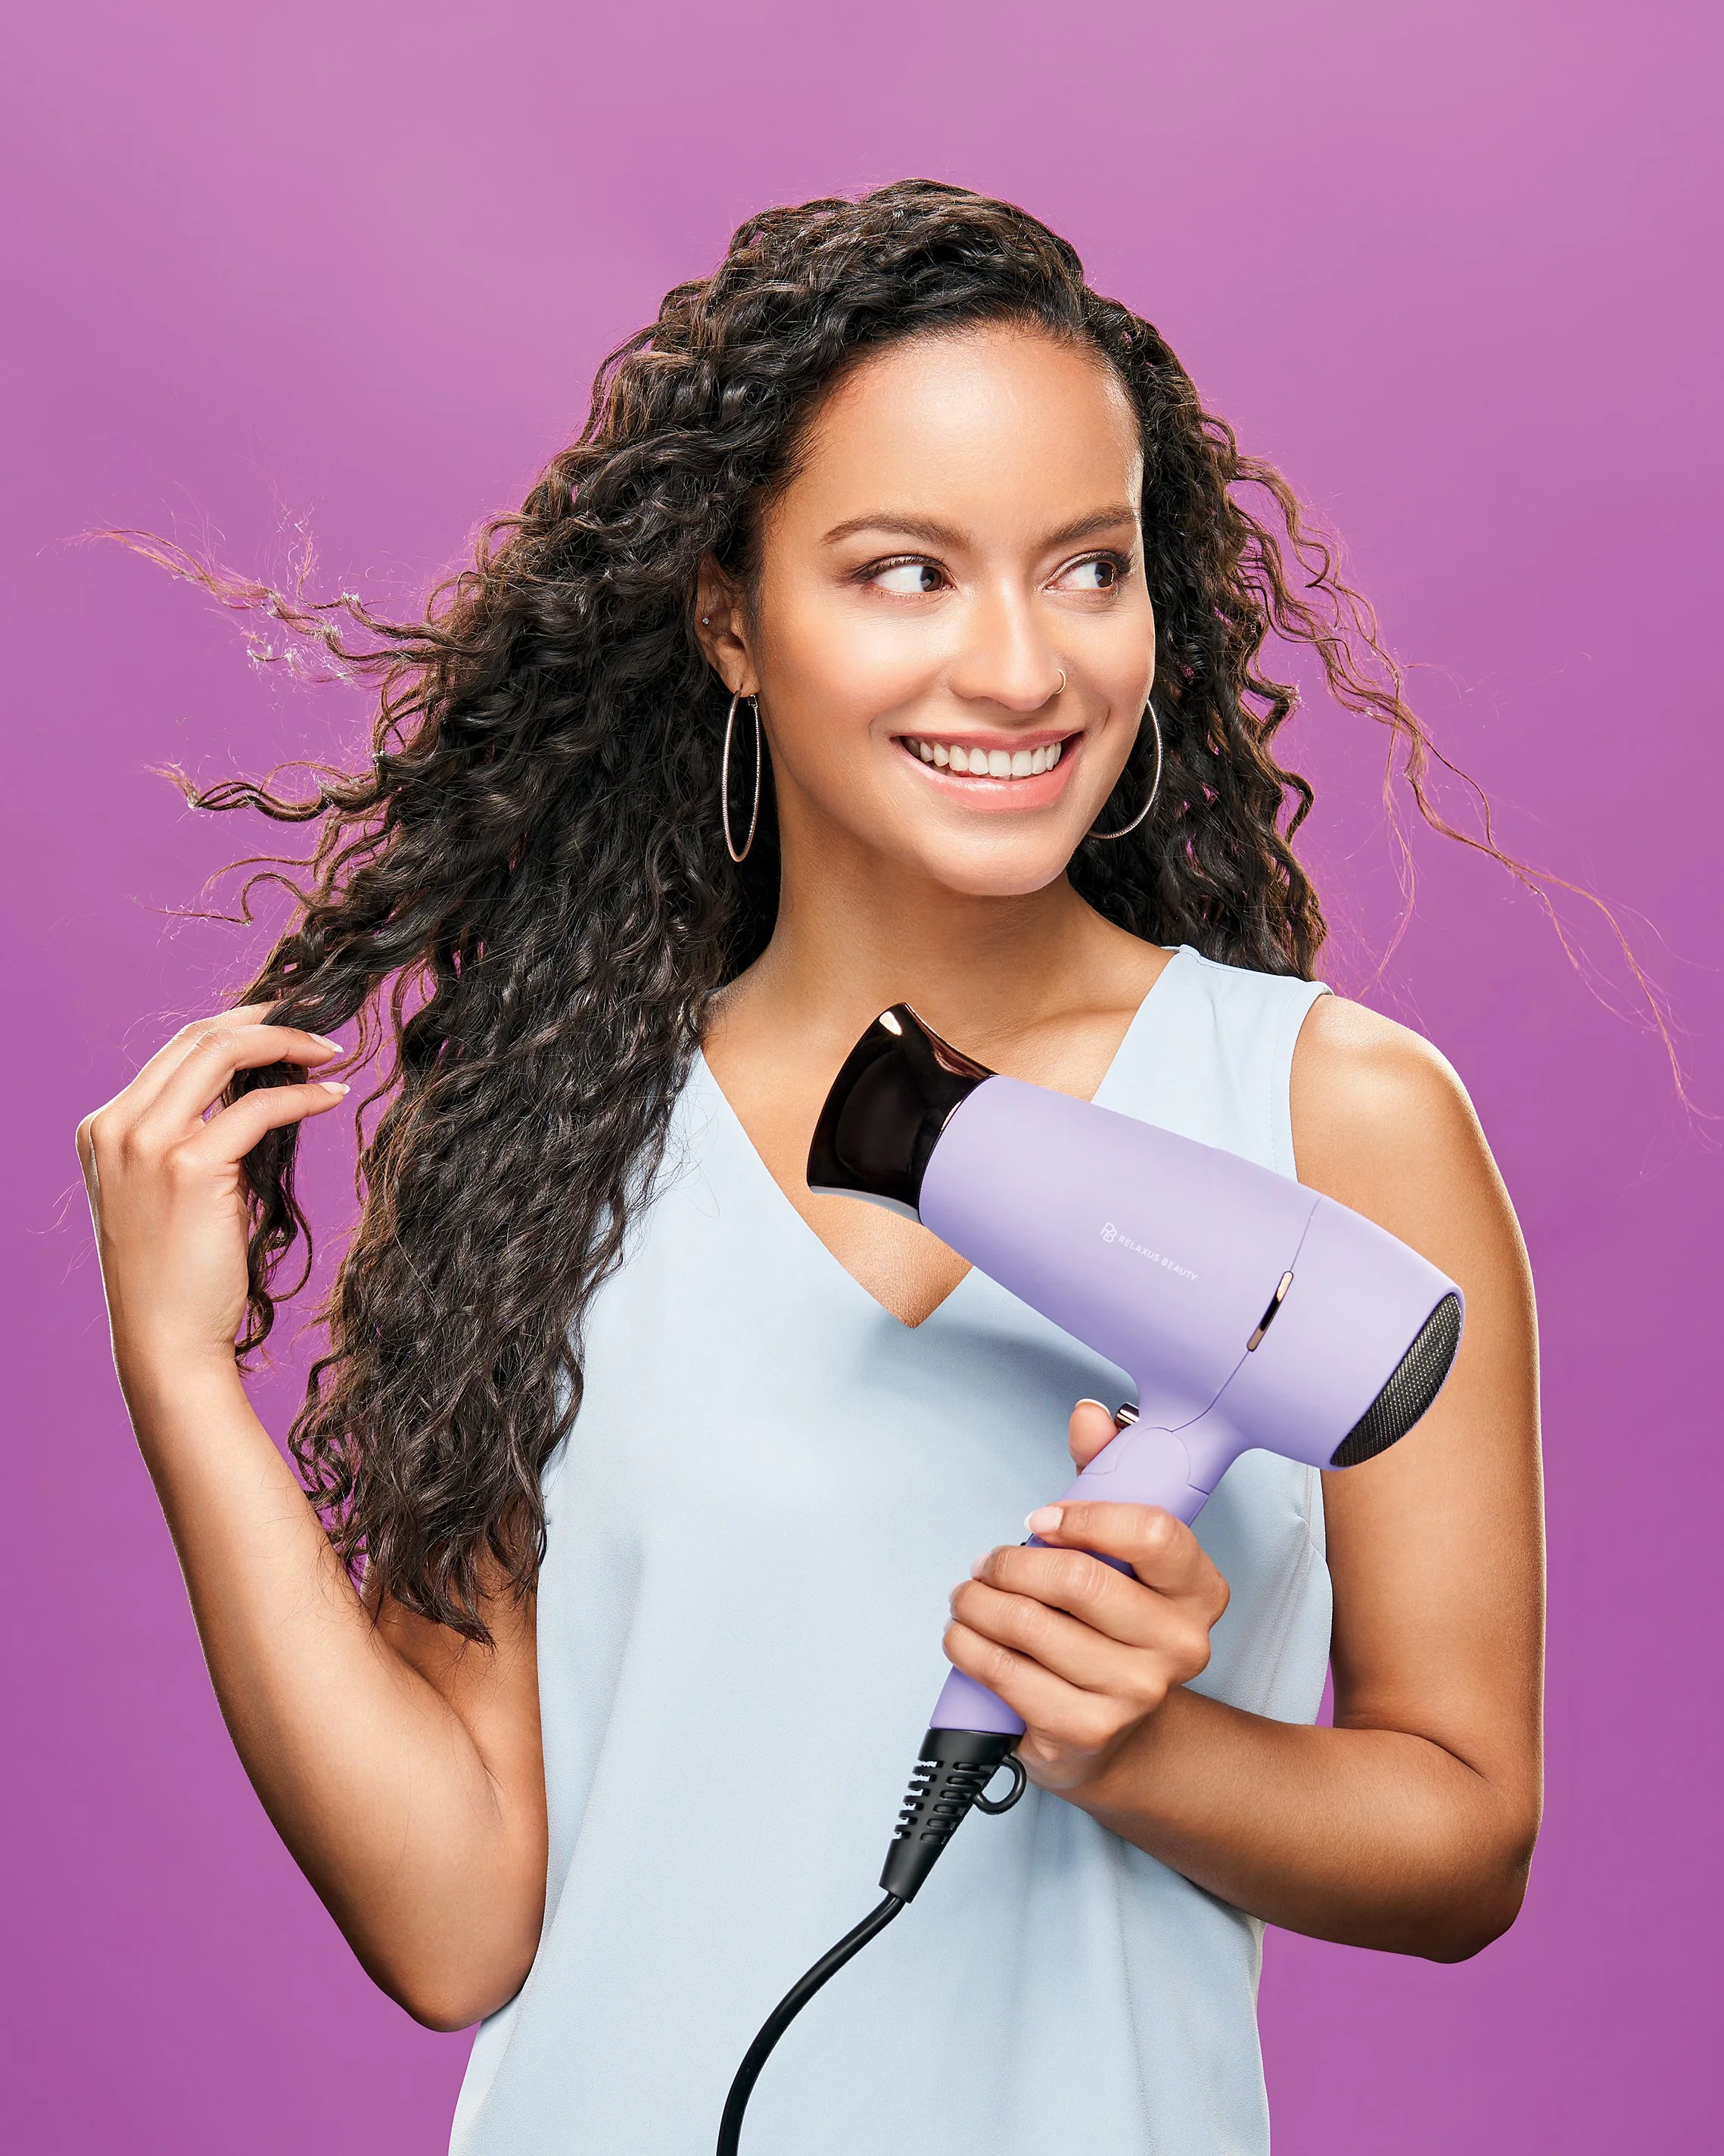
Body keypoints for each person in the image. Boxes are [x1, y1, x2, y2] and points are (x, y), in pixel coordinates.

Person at [76, 182, 1543, 2155]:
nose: (1020, 669)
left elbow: (1462, 1844)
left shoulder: (1340, 1114)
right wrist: (184, 1381)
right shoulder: (545, 1139)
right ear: (729, 617)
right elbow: (448, 1930)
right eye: (900, 572)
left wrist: (1139, 1747)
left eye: (1087, 568)